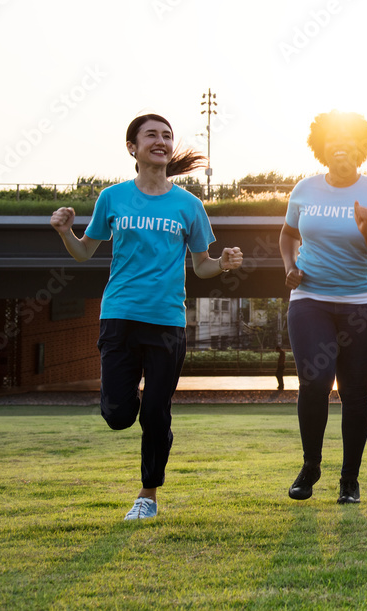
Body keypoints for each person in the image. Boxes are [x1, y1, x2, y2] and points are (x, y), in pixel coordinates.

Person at [50, 114, 244, 520]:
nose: (161, 141)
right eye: (151, 135)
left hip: (167, 321)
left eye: (167, 136)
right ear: (132, 149)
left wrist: (222, 264)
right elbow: (86, 252)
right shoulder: (112, 198)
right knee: (119, 415)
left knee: (156, 412)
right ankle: (129, 401)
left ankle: (147, 495)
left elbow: (202, 266)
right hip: (119, 315)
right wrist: (66, 232)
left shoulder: (189, 205)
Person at [279, 110, 367, 504]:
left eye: (349, 139)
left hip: (361, 304)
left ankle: (350, 479)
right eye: (332, 139)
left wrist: (365, 231)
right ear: (321, 147)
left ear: (361, 148)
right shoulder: (304, 189)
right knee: (314, 381)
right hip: (310, 300)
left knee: (355, 392)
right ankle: (311, 466)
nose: (340, 145)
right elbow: (287, 235)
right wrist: (290, 267)